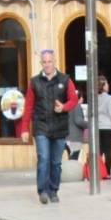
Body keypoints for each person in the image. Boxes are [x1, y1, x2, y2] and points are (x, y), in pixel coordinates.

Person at [18, 49, 78, 205]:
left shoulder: (65, 80)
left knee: (56, 162)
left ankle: (54, 191)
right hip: (41, 126)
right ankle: (42, 191)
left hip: (59, 126)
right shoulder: (34, 82)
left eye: (49, 61)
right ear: (41, 63)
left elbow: (74, 100)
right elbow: (29, 106)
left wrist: (63, 107)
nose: (47, 65)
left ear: (54, 61)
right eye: (44, 62)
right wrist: (24, 128)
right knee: (43, 158)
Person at [96, 75, 111, 179]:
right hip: (107, 127)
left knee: (99, 151)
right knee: (107, 151)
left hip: (97, 128)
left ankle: (99, 172)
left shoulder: (93, 98)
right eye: (107, 83)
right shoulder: (109, 98)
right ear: (103, 86)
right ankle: (108, 173)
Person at [65, 91, 87, 161]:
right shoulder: (77, 106)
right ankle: (71, 172)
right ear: (79, 98)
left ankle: (70, 171)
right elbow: (79, 121)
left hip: (67, 137)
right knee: (74, 159)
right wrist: (90, 124)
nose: (83, 99)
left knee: (71, 157)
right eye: (82, 97)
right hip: (75, 138)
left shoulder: (67, 106)